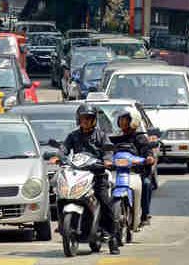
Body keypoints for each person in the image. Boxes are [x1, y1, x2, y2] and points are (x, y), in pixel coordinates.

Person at [54, 104, 119, 254]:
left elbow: (108, 149)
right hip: (78, 173)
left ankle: (112, 237)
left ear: (94, 120)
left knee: (104, 201)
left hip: (97, 174)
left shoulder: (101, 135)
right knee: (60, 194)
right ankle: (62, 223)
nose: (86, 121)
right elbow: (64, 148)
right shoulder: (73, 136)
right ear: (79, 119)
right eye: (83, 118)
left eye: (89, 119)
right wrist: (58, 156)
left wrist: (107, 160)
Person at [114, 110, 156, 226]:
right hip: (118, 172)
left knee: (146, 183)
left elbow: (148, 151)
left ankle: (145, 214)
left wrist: (149, 158)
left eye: (125, 119)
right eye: (120, 120)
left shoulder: (140, 138)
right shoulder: (116, 137)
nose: (122, 122)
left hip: (137, 172)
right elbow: (106, 149)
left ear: (133, 121)